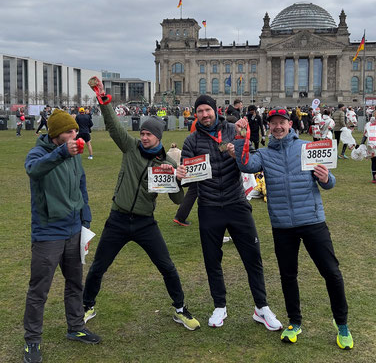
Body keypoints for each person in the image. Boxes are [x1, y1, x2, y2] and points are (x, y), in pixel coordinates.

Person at [83, 77, 200, 332]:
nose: (144, 137)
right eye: (142, 133)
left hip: (146, 223)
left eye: (148, 134)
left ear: (158, 137)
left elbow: (178, 200)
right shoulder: (130, 148)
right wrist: (103, 101)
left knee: (167, 266)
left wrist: (177, 179)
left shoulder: (167, 161)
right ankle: (86, 305)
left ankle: (180, 308)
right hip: (118, 219)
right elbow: (114, 127)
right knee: (99, 266)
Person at [232, 108, 353, 349]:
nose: (278, 127)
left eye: (282, 122)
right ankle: (294, 322)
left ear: (290, 125)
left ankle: (342, 325)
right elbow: (245, 164)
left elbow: (330, 184)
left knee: (331, 273)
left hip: (312, 221)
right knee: (288, 276)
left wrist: (326, 178)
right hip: (283, 225)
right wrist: (241, 137)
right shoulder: (264, 155)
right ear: (269, 127)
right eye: (273, 123)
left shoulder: (307, 148)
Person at [180, 94, 282, 330]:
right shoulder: (191, 140)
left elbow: (249, 160)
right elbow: (186, 172)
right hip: (209, 206)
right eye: (200, 111)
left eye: (208, 110)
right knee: (212, 260)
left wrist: (241, 144)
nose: (205, 115)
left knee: (253, 257)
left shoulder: (233, 129)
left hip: (236, 203)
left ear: (216, 110)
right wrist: (182, 173)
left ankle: (262, 307)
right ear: (196, 114)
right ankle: (219, 305)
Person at [23, 109, 101, 363]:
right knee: (39, 290)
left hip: (74, 229)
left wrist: (85, 218)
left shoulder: (74, 153)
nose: (74, 135)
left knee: (75, 282)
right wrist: (61, 153)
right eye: (69, 131)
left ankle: (75, 326)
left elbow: (81, 184)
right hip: (48, 232)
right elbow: (34, 170)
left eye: (76, 130)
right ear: (55, 134)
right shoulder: (39, 153)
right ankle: (32, 342)